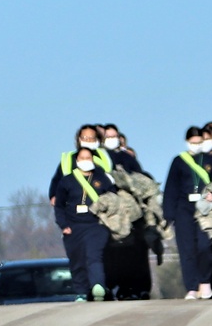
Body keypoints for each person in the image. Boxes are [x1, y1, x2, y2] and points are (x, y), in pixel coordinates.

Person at [53, 146, 117, 301]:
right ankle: (81, 291)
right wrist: (63, 225)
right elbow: (59, 205)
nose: (86, 161)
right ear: (77, 161)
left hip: (96, 226)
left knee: (94, 256)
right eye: (82, 158)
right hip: (73, 228)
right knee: (77, 259)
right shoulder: (67, 181)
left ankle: (98, 287)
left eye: (89, 158)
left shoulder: (101, 178)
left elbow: (113, 198)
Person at [163, 127, 212, 299]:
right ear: (187, 142)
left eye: (199, 142)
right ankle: (191, 288)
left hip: (206, 210)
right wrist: (168, 215)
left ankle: (206, 282)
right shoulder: (179, 161)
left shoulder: (211, 160)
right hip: (184, 210)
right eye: (193, 143)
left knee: (204, 247)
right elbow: (171, 188)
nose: (196, 145)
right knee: (187, 250)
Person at [100, 123, 152, 300]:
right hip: (108, 214)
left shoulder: (126, 158)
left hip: (131, 214)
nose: (111, 140)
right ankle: (112, 286)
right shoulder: (98, 158)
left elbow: (141, 178)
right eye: (107, 137)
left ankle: (134, 288)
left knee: (133, 251)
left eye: (114, 136)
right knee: (113, 254)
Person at [49, 124, 114, 205]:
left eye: (91, 138)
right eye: (85, 138)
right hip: (72, 205)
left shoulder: (105, 156)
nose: (88, 141)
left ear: (96, 140)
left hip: (100, 205)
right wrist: (53, 196)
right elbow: (57, 180)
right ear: (79, 139)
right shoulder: (68, 158)